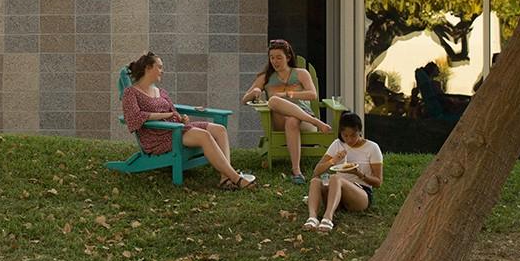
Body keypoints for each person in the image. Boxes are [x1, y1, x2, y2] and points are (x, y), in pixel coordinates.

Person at [121, 51, 255, 190]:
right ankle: (236, 178)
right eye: (159, 67)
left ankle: (225, 177)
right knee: (205, 136)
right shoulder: (131, 92)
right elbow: (133, 117)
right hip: (158, 136)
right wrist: (163, 116)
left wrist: (181, 118)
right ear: (148, 68)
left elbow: (173, 112)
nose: (162, 71)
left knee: (220, 130)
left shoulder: (161, 92)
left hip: (177, 127)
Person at [240, 39, 331, 184]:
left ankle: (296, 171)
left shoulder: (301, 73)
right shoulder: (265, 77)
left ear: (288, 57)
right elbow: (244, 100)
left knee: (292, 120)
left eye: (279, 57)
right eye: (272, 58)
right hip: (279, 120)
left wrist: (288, 94)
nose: (275, 61)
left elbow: (313, 94)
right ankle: (318, 123)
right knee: (274, 101)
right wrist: (255, 91)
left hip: (304, 120)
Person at [303, 113, 382, 233]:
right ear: (340, 133)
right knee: (315, 181)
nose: (349, 140)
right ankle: (312, 217)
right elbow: (316, 172)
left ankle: (328, 217)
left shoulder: (372, 148)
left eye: (353, 135)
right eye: (345, 136)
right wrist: (332, 161)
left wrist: (359, 174)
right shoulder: (337, 144)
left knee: (335, 178)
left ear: (360, 131)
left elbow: (378, 182)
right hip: (336, 193)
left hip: (361, 193)